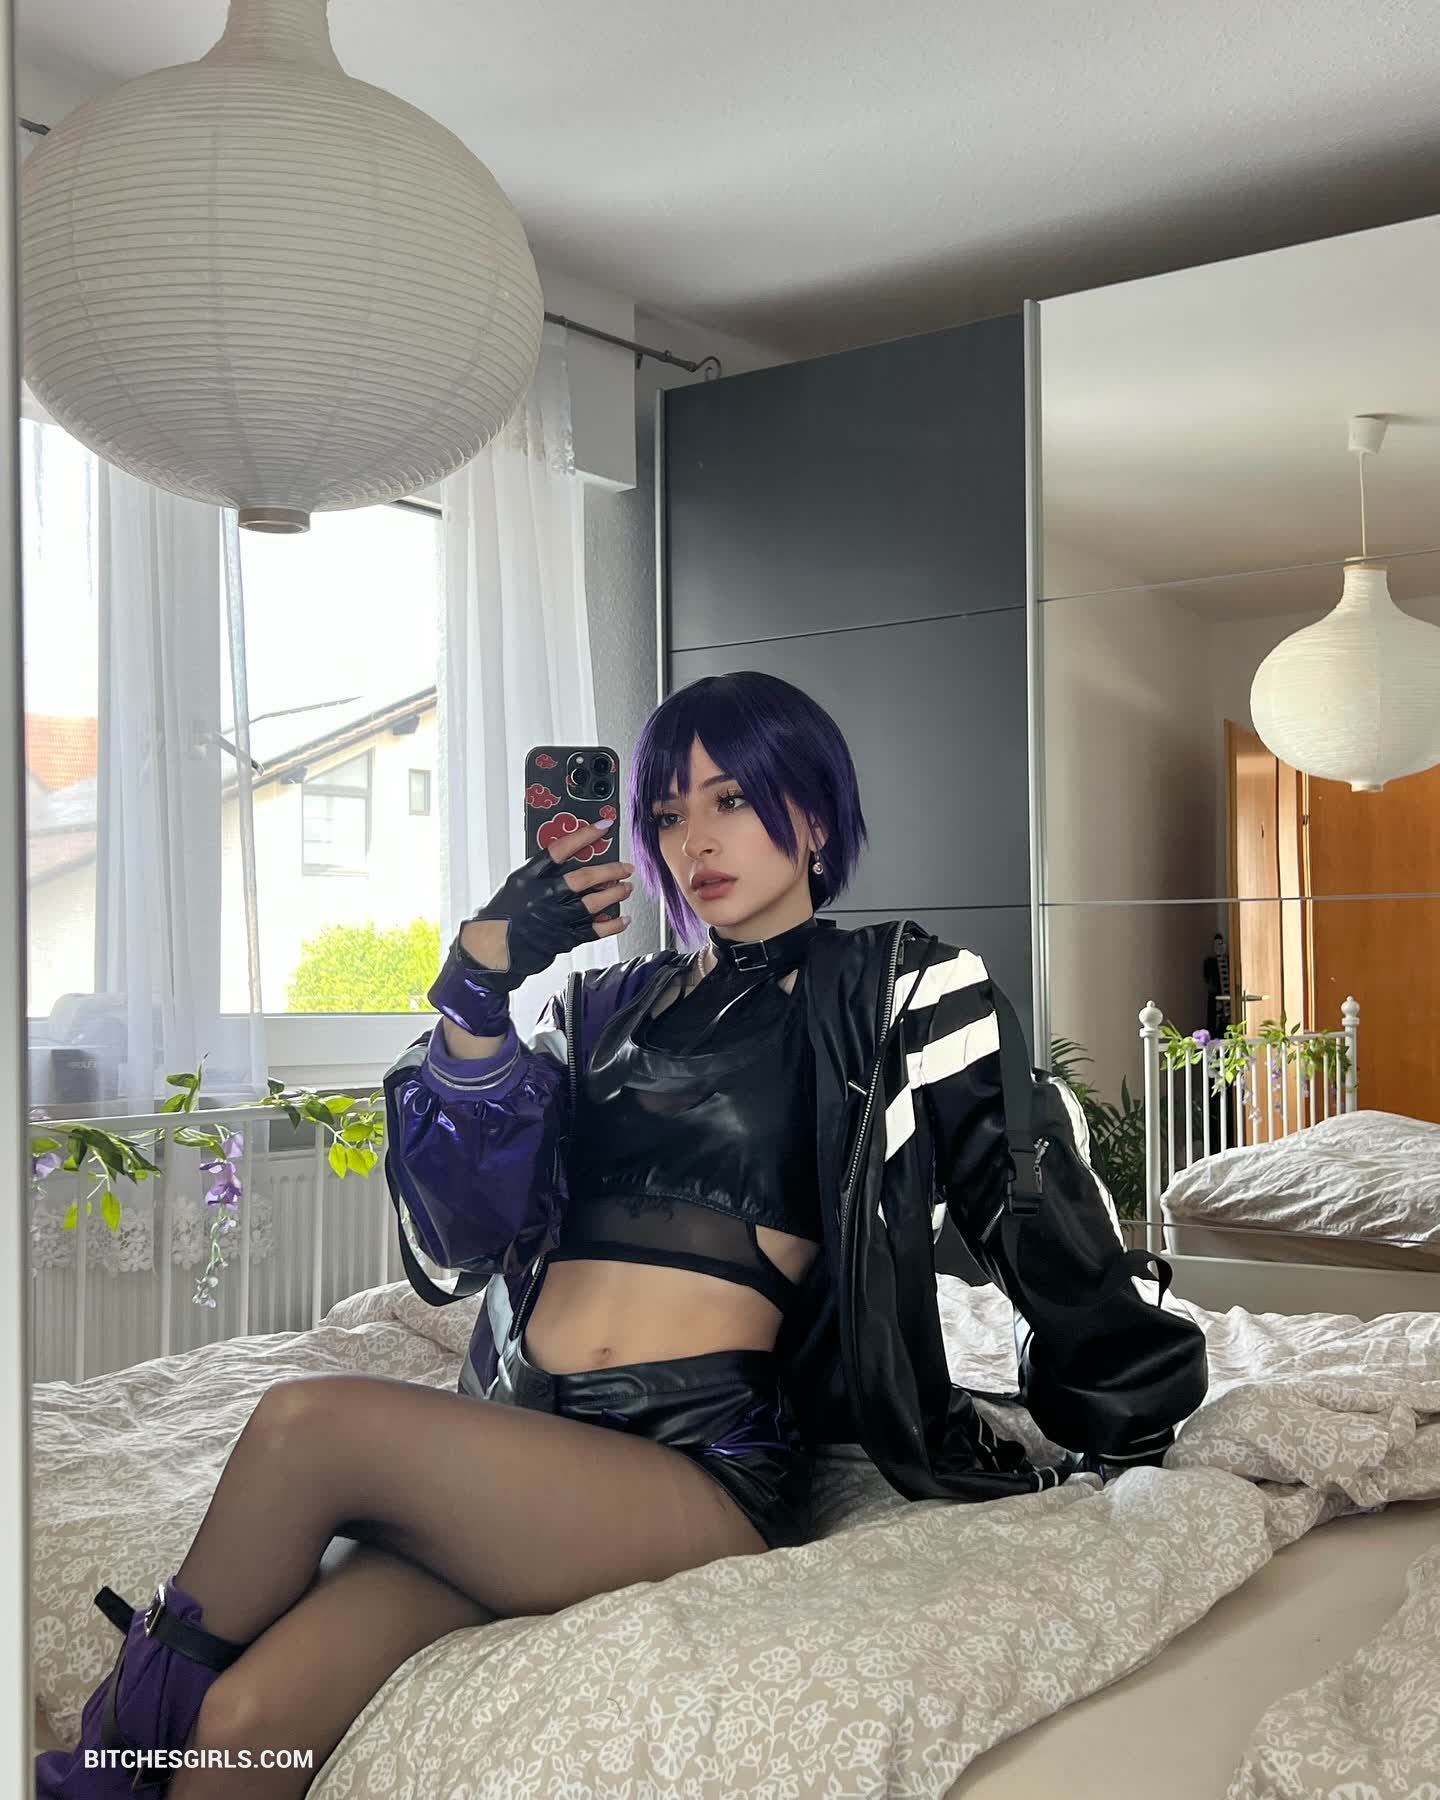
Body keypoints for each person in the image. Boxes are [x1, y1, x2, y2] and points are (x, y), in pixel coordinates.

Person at [41, 671, 1207, 1798]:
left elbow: (1026, 1193)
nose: (696, 839)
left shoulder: (899, 987)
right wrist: (478, 989)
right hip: (515, 1449)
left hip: (690, 1469)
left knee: (308, 1426)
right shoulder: (597, 1008)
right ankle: (132, 1761)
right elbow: (462, 1230)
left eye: (731, 798)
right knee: (244, 1723)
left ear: (813, 817)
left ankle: (100, 1768)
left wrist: (1128, 1408)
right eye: (667, 813)